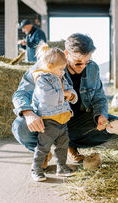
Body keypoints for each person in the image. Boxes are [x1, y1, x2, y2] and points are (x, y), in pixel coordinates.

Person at [12, 33, 118, 166]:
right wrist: (28, 114)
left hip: (75, 120)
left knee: (116, 125)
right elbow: (21, 93)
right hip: (47, 119)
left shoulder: (93, 68)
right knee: (20, 126)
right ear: (67, 54)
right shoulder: (47, 64)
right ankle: (42, 151)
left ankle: (70, 144)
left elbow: (99, 97)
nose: (83, 66)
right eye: (78, 62)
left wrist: (101, 115)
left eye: (87, 61)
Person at [29, 43, 78, 182]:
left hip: (63, 119)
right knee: (43, 147)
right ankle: (36, 169)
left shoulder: (61, 77)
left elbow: (71, 89)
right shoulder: (42, 79)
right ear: (50, 67)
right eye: (61, 69)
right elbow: (48, 98)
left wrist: (72, 95)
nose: (63, 71)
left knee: (63, 145)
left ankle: (61, 167)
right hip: (49, 120)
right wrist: (64, 94)